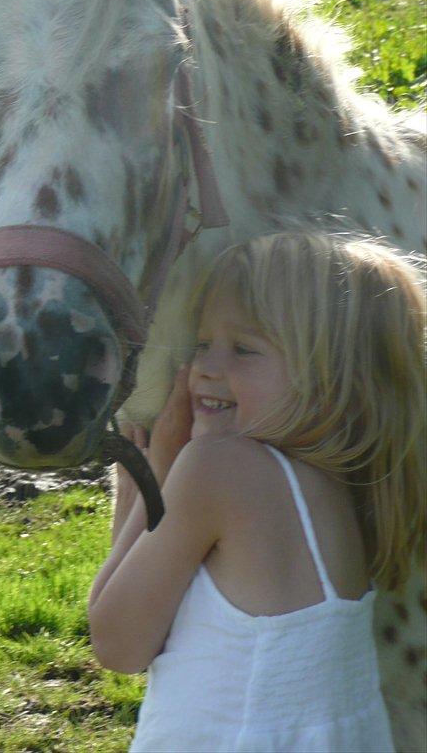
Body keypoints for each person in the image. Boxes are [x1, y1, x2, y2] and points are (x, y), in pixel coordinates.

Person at [89, 231, 425, 753]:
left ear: (331, 376)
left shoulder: (217, 470)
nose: (205, 367)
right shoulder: (350, 485)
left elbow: (118, 641)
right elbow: (155, 618)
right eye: (203, 344)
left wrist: (157, 470)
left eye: (243, 349)